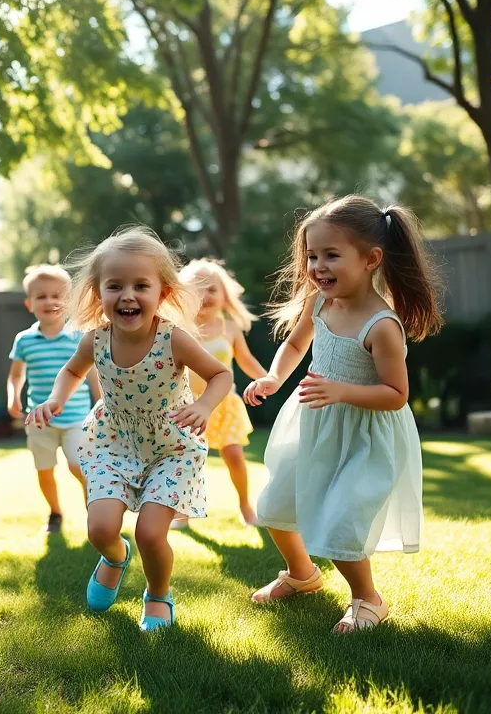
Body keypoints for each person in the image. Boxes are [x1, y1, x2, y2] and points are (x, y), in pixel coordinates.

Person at [244, 196, 443, 633]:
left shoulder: (381, 325)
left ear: (371, 259)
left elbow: (395, 394)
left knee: (341, 524)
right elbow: (296, 344)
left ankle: (367, 599)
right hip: (316, 425)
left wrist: (342, 391)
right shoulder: (321, 304)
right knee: (275, 507)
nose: (317, 266)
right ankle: (301, 575)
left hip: (364, 436)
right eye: (312, 255)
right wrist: (275, 378)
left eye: (331, 255)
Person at [27, 226, 232, 631]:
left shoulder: (175, 339)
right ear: (96, 293)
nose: (128, 295)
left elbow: (221, 375)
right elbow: (71, 370)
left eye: (141, 285)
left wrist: (206, 406)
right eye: (114, 285)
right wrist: (55, 399)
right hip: (114, 441)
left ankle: (158, 595)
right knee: (99, 527)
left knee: (152, 534)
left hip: (170, 446)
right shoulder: (95, 340)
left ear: (163, 293)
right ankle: (114, 556)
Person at [7, 264, 102, 533]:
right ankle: (55, 513)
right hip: (39, 420)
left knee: (78, 466)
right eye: (41, 296)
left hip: (77, 418)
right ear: (29, 304)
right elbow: (15, 375)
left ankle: (94, 514)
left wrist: (102, 402)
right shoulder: (24, 340)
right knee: (45, 470)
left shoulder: (78, 336)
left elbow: (92, 374)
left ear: (68, 301)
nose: (49, 301)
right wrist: (13, 396)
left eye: (56, 295)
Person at [175, 258, 267, 528]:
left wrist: (267, 378)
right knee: (186, 460)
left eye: (211, 289)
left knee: (234, 455)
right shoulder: (179, 329)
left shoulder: (230, 328)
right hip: (188, 407)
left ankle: (245, 506)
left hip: (224, 404)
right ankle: (183, 510)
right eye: (198, 289)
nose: (205, 296)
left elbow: (246, 360)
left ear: (224, 294)